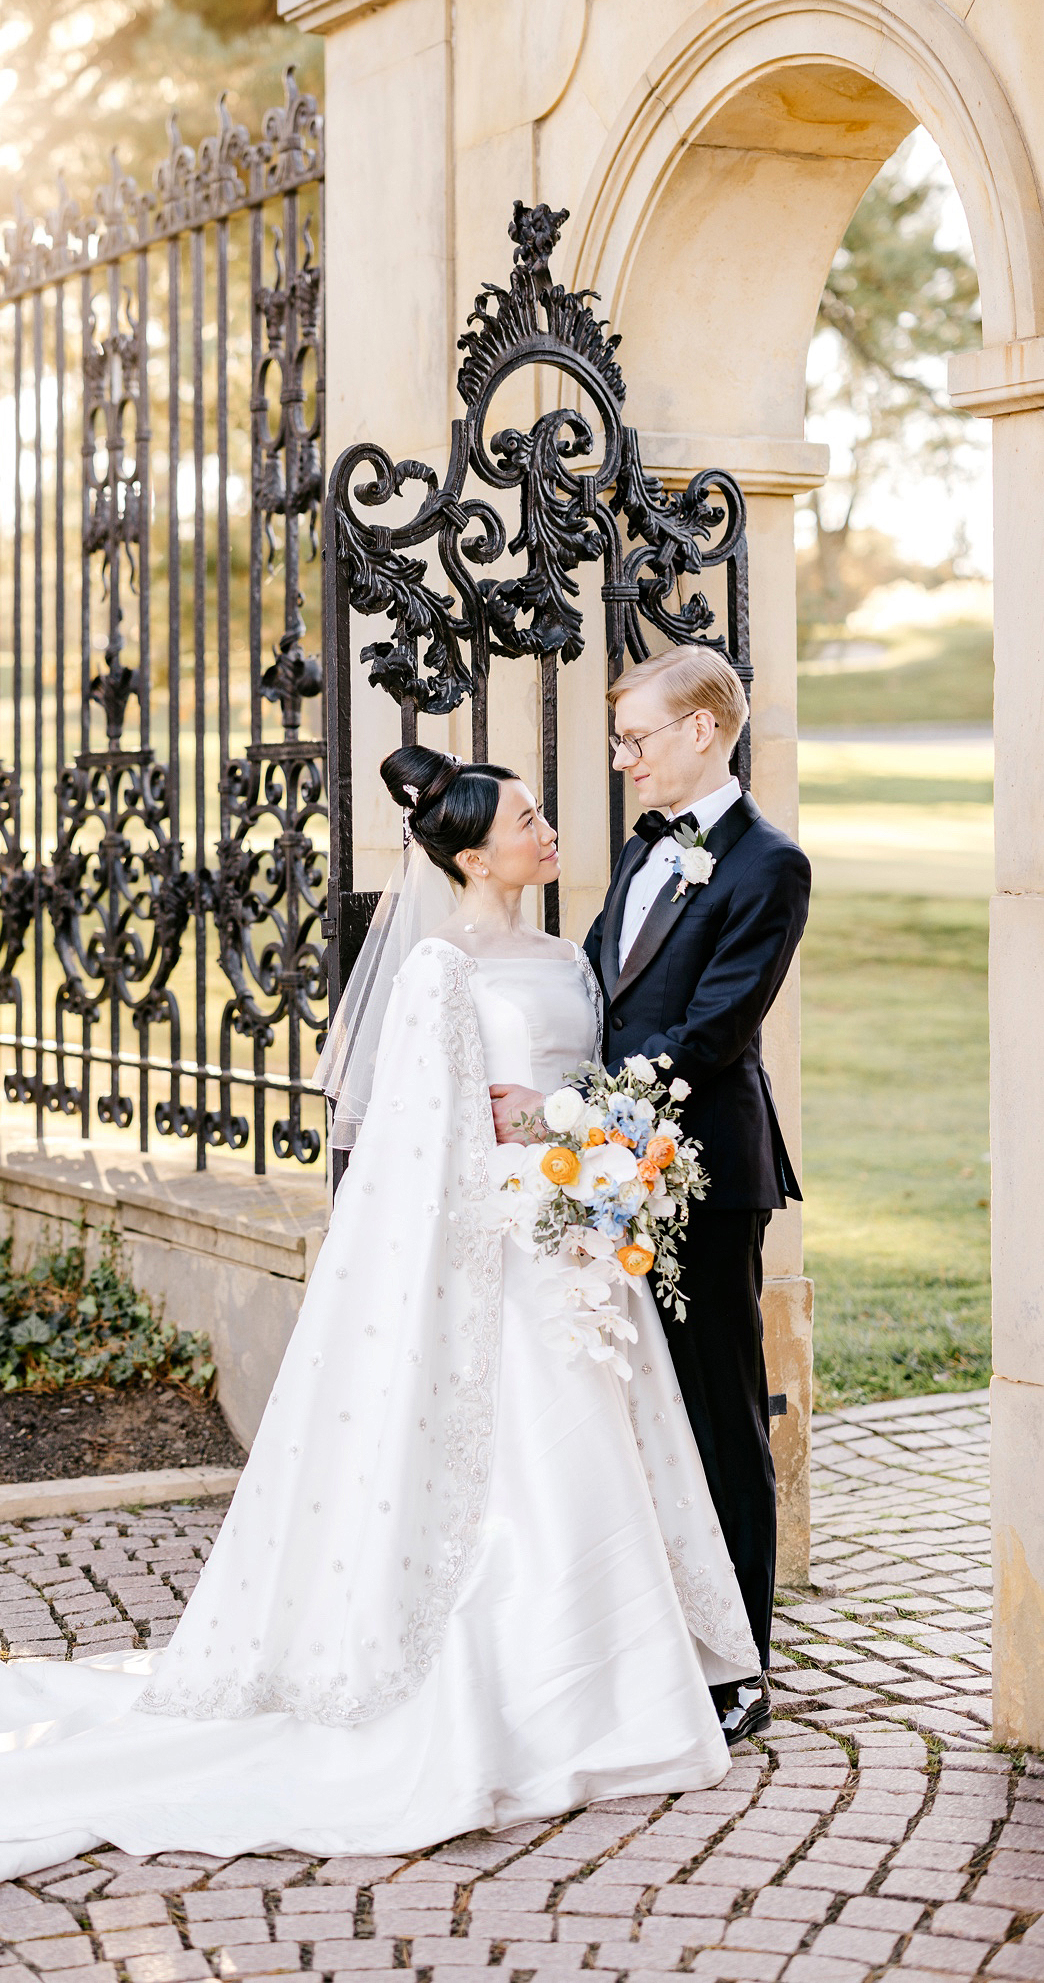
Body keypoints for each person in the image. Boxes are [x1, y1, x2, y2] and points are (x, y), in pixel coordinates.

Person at [0, 745, 759, 1921]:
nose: (549, 829)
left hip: (576, 1245)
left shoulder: (568, 955)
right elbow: (417, 1151)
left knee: (596, 1463)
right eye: (527, 817)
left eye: (541, 811)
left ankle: (615, 1694)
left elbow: (591, 1075)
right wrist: (532, 1155)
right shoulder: (438, 973)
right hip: (500, 1255)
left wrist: (591, 1140)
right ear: (468, 853)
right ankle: (535, 1704)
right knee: (523, 1483)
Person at [489, 648, 811, 1745]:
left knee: (721, 1413)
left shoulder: (770, 866)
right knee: (640, 1413)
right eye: (620, 742)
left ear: (705, 730)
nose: (623, 762)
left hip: (706, 1177)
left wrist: (578, 1115)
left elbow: (712, 1033)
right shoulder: (644, 850)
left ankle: (741, 1667)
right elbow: (598, 993)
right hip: (606, 1174)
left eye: (636, 739)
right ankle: (663, 1630)